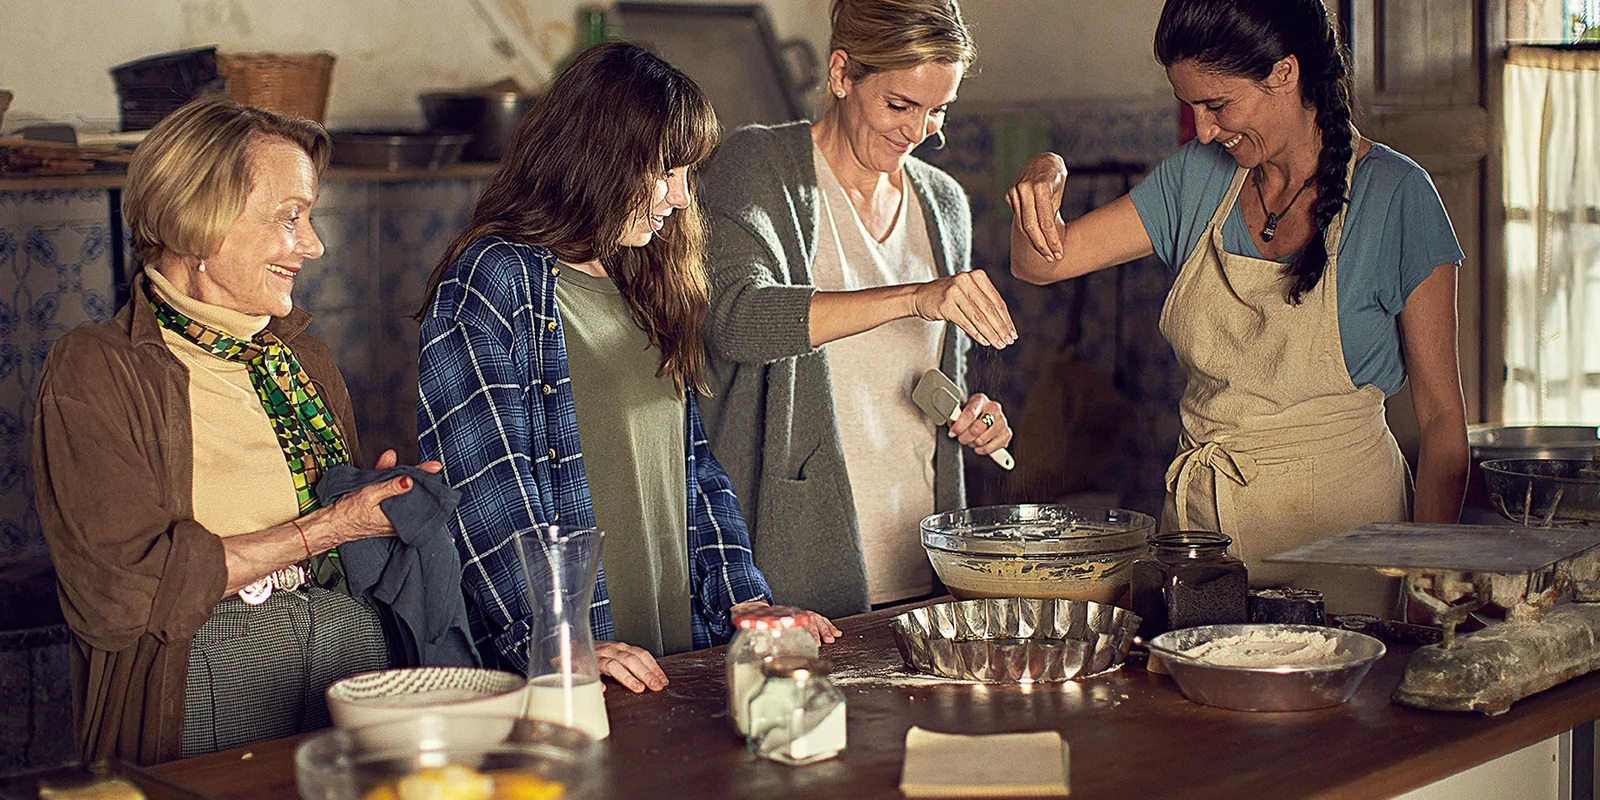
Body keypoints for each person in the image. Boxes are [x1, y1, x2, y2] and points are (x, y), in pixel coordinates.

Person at [1007, 0, 1470, 614]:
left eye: (1217, 105)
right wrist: (1045, 172)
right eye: (1189, 106)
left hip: (1347, 548)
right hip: (1202, 547)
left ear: (1283, 73)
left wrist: (1424, 581)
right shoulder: (1197, 179)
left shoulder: (1396, 197)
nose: (1202, 130)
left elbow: (1443, 425)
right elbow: (1040, 262)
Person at [416, 41, 839, 694]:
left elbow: (694, 467)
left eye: (687, 173)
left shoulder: (645, 275)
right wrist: (560, 642)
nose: (679, 196)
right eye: (665, 170)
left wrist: (746, 603)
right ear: (599, 157)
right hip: (571, 668)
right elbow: (486, 495)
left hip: (671, 655)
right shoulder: (496, 279)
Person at [32, 95, 439, 765]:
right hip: (208, 682)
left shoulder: (302, 360)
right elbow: (118, 593)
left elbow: (350, 545)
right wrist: (329, 529)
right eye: (291, 217)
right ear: (200, 222)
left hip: (354, 658)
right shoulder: (98, 367)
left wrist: (380, 505)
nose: (313, 245)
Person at [696, 0, 1016, 619]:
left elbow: (933, 376)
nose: (919, 131)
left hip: (921, 551)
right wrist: (914, 297)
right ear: (842, 74)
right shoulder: (759, 167)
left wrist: (972, 414)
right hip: (791, 559)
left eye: (937, 110)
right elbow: (736, 318)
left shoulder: (943, 203)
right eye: (900, 105)